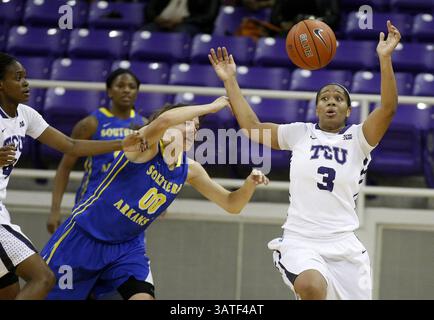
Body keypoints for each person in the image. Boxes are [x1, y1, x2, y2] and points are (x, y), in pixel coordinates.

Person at [208, 21, 401, 299]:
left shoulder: (359, 138)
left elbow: (388, 107)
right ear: (317, 108)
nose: (331, 102)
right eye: (325, 98)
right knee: (311, 287)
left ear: (348, 111)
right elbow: (251, 126)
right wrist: (230, 80)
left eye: (338, 98)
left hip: (344, 244)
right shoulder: (300, 133)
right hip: (302, 240)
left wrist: (385, 58)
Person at [40, 97, 269, 300]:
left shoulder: (189, 169)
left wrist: (249, 184)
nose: (192, 129)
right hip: (83, 238)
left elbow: (231, 204)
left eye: (197, 127)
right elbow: (162, 122)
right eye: (187, 122)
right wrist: (210, 107)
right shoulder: (144, 146)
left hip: (127, 248)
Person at [0, 53, 144, 300]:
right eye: (18, 78)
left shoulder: (26, 115)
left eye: (25, 77)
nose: (26, 83)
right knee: (43, 278)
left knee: (11, 294)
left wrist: (122, 143)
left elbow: (71, 145)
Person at [47, 68, 147, 235]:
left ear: (137, 92)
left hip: (127, 208)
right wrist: (55, 210)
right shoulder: (91, 123)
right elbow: (65, 167)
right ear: (109, 91)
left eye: (132, 86)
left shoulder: (144, 126)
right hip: (91, 204)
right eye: (120, 85)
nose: (126, 90)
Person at [143, 0, 220, 36]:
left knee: (181, 32)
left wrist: (182, 20)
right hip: (160, 23)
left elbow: (209, 17)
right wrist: (156, 18)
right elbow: (149, 8)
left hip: (188, 24)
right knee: (146, 31)